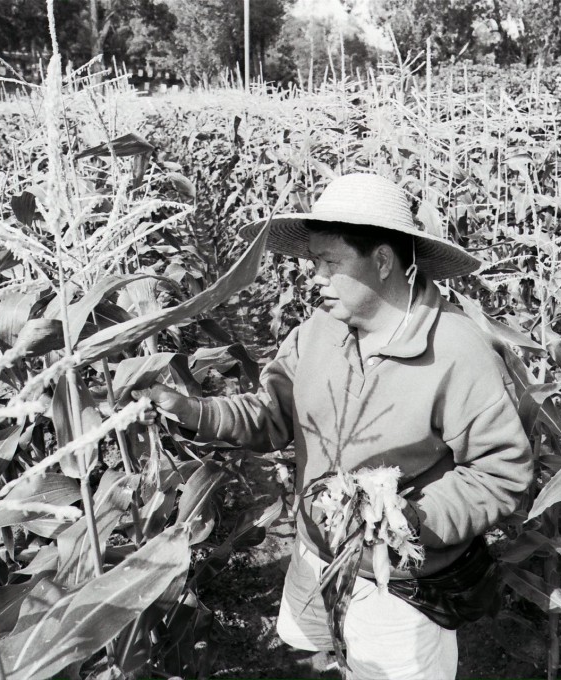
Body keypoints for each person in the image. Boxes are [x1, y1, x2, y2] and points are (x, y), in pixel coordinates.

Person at [141, 172, 533, 680]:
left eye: (330, 263)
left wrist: (412, 519)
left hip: (400, 586)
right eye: (313, 263)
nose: (315, 278)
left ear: (384, 261)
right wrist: (193, 410)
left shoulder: (456, 352)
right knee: (332, 657)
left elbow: (501, 472)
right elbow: (273, 413)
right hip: (314, 554)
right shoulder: (316, 332)